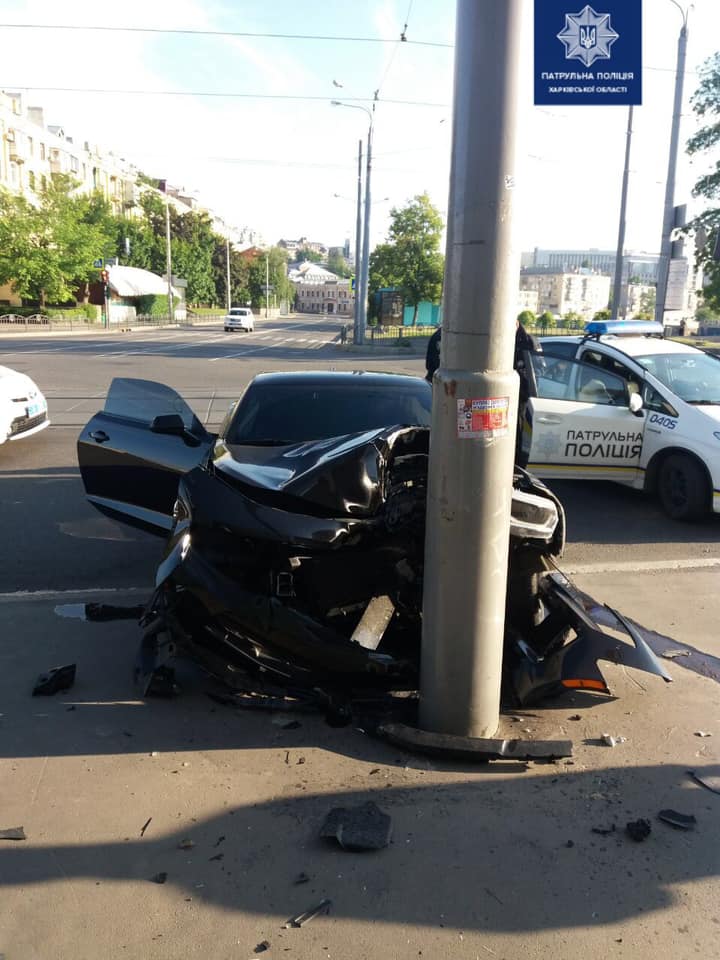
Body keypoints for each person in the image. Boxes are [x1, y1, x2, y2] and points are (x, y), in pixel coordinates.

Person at [514, 318, 541, 467]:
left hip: (523, 395)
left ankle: (519, 462)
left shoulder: (528, 341)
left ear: (516, 323)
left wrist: (522, 375)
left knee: (521, 431)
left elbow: (539, 369)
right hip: (511, 394)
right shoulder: (505, 339)